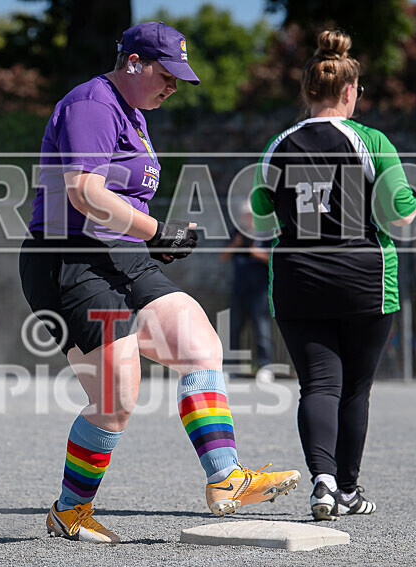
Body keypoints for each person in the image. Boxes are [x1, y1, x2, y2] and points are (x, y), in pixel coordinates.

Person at [19, 22, 300, 544]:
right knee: (117, 397)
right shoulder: (93, 104)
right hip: (69, 258)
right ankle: (69, 511)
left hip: (121, 255)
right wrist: (156, 230)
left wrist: (151, 235)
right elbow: (83, 192)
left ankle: (226, 479)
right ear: (133, 63)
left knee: (200, 343)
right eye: (167, 75)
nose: (173, 87)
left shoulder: (135, 116)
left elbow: (121, 203)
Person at [251, 30, 416, 521]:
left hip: (298, 278)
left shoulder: (278, 144)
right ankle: (348, 488)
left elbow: (261, 217)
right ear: (350, 92)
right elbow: (401, 212)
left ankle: (322, 480)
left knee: (319, 385)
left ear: (307, 90)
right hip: (364, 275)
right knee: (356, 389)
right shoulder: (372, 141)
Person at [219, 201, 273, 379]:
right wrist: (237, 244)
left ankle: (265, 366)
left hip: (260, 290)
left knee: (262, 328)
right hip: (239, 289)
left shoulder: (265, 235)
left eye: (251, 215)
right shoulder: (238, 234)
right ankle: (233, 367)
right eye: (245, 215)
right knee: (233, 328)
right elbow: (223, 257)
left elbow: (272, 260)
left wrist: (253, 250)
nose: (248, 218)